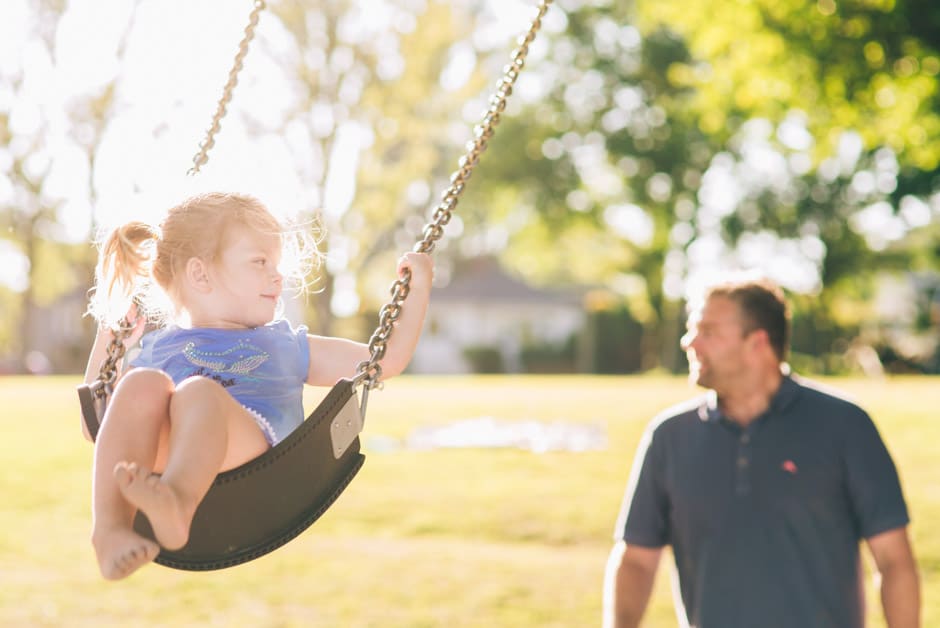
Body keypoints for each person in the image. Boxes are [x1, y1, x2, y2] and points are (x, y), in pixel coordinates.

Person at [82, 192, 433, 580]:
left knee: (199, 392)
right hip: (169, 452)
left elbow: (384, 360)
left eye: (276, 263)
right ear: (201, 274)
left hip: (254, 450)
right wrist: (108, 339)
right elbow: (98, 426)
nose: (277, 275)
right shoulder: (156, 350)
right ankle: (110, 530)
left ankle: (178, 503)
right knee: (141, 384)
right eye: (260, 261)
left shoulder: (283, 345)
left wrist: (416, 291)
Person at [602, 277, 920, 628]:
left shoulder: (845, 426)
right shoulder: (669, 437)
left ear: (757, 343)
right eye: (692, 330)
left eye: (708, 331)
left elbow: (893, 561)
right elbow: (636, 560)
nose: (689, 342)